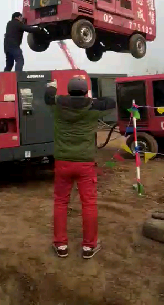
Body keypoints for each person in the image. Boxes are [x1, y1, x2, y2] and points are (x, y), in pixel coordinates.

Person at [44, 76, 116, 259]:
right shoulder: (92, 108)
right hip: (85, 163)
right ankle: (89, 247)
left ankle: (60, 245)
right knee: (88, 204)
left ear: (68, 91)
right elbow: (111, 102)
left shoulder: (58, 106)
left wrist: (52, 85)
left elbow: (48, 96)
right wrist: (91, 99)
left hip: (63, 162)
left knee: (60, 202)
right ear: (85, 91)